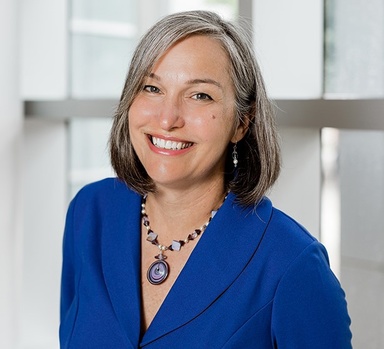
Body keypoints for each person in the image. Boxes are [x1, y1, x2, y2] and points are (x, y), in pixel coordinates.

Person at [59, 10, 352, 349]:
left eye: (200, 95)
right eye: (152, 88)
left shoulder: (293, 265)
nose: (167, 119)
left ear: (242, 122)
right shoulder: (89, 213)